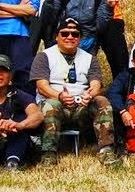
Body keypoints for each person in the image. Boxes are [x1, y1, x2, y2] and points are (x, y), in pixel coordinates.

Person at [32, 18, 118, 167]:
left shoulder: (90, 58)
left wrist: (89, 95)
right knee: (51, 104)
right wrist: (60, 96)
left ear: (80, 38)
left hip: (81, 105)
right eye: (65, 33)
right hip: (55, 104)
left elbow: (96, 84)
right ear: (56, 36)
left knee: (102, 101)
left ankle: (106, 150)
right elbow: (41, 86)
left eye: (75, 34)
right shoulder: (44, 56)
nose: (70, 37)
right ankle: (48, 154)